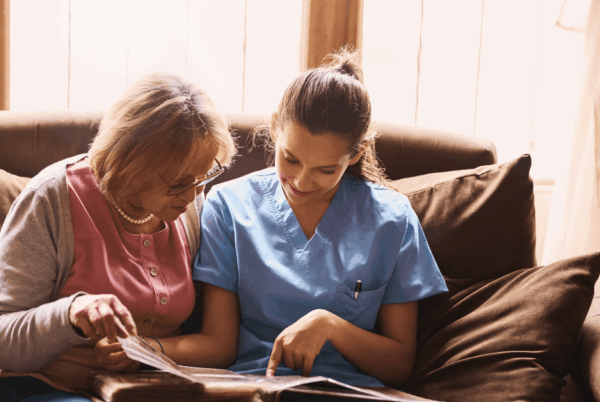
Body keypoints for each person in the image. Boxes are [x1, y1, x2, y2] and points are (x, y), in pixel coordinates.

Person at [0, 72, 236, 402]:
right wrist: (72, 313)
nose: (192, 196)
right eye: (177, 184)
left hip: (143, 388)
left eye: (203, 177)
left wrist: (149, 351)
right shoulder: (51, 199)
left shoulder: (190, 204)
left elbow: (217, 340)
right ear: (129, 164)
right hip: (42, 384)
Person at [186, 47, 448, 390]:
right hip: (251, 388)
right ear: (275, 127)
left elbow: (399, 366)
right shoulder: (227, 207)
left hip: (352, 394)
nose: (302, 182)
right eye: (290, 159)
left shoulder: (393, 221)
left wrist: (330, 326)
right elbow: (219, 345)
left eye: (326, 170)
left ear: (355, 154)